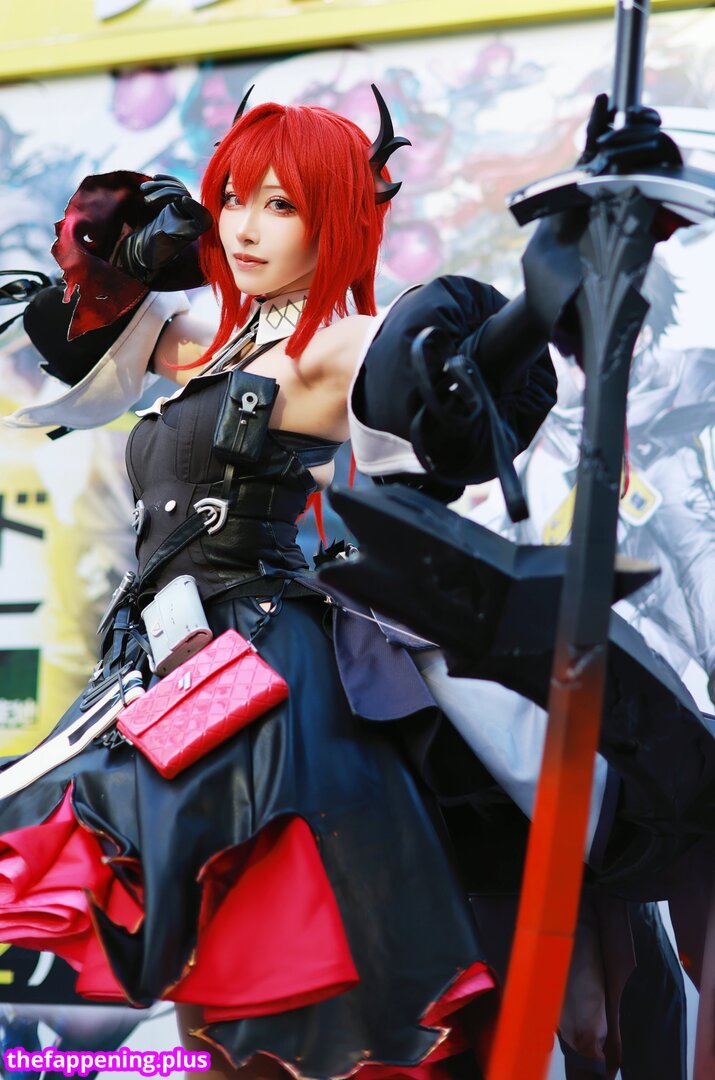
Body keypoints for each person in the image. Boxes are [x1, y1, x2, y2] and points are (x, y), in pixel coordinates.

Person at [0, 94, 558, 1080]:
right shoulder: (207, 339)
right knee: (212, 968)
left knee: (275, 969)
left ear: (334, 219)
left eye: (281, 205)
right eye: (233, 199)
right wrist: (119, 244)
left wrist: (545, 296)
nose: (245, 228)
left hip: (253, 671)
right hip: (165, 661)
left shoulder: (339, 346)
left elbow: (442, 376)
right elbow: (65, 334)